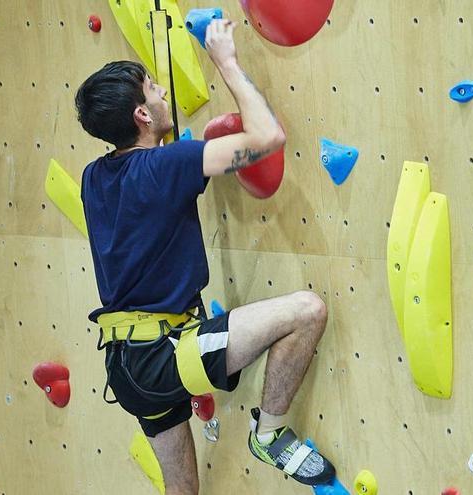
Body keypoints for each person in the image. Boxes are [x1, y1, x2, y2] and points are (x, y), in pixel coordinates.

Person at [74, 19, 335, 494]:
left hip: (126, 366)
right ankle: (270, 434)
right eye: (152, 88)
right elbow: (267, 139)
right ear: (142, 116)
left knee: (183, 492)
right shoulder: (165, 165)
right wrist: (226, 61)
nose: (161, 91)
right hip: (164, 354)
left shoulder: (95, 177)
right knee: (307, 311)